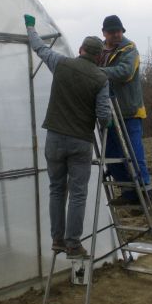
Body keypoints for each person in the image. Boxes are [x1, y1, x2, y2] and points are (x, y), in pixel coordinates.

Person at [24, 14, 110, 258]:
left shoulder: (61, 63)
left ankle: (57, 240)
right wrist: (107, 127)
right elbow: (103, 115)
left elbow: (39, 47)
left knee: (56, 189)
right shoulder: (101, 79)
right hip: (80, 142)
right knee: (78, 193)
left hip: (54, 138)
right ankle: (73, 244)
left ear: (81, 50)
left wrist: (30, 27)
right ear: (98, 56)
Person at [99, 15, 152, 205]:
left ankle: (146, 191)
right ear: (104, 33)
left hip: (129, 111)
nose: (117, 34)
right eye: (112, 31)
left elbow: (125, 73)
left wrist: (97, 72)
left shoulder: (130, 50)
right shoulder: (100, 51)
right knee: (111, 154)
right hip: (109, 111)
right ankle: (129, 192)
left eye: (119, 31)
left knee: (134, 152)